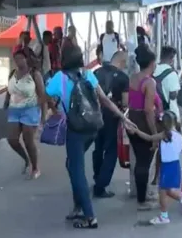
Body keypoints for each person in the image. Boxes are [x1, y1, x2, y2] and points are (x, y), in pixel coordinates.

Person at [45, 43, 135, 229]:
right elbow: (104, 99)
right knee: (71, 164)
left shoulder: (59, 78)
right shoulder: (88, 75)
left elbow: (47, 96)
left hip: (75, 130)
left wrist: (54, 109)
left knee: (77, 170)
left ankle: (89, 216)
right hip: (93, 128)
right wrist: (121, 116)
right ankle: (78, 206)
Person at [127, 111, 182, 225]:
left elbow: (149, 138)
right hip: (175, 165)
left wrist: (137, 131)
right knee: (168, 190)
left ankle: (164, 216)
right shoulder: (179, 135)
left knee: (162, 192)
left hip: (167, 166)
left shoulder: (164, 135)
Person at [127, 46, 162, 211]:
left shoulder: (133, 77)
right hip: (143, 122)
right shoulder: (149, 82)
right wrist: (154, 134)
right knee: (144, 162)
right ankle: (142, 201)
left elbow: (130, 101)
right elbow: (149, 110)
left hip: (131, 120)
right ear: (152, 63)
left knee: (140, 159)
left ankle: (143, 193)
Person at [4, 49, 47, 180]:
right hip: (14, 110)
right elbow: (9, 89)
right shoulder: (12, 73)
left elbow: (42, 96)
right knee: (12, 139)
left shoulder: (34, 74)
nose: (18, 61)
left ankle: (35, 167)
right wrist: (6, 102)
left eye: (21, 58)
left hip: (30, 110)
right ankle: (26, 159)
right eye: (16, 58)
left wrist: (43, 117)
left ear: (27, 59)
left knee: (28, 141)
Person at [92, 50, 129, 198]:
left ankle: (97, 177)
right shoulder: (123, 77)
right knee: (111, 150)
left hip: (95, 114)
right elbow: (125, 102)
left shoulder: (96, 73)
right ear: (121, 62)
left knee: (98, 147)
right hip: (112, 115)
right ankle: (101, 185)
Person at [153, 46, 181, 122]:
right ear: (172, 58)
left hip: (155, 111)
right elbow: (173, 96)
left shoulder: (152, 69)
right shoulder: (172, 73)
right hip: (169, 113)